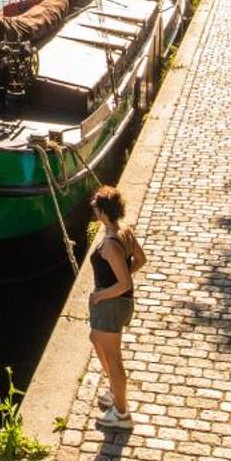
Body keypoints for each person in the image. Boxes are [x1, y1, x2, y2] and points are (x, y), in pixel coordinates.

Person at [87, 184, 145, 430]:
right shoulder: (125, 232)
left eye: (96, 209)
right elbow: (140, 260)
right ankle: (114, 390)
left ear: (103, 212)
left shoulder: (111, 243)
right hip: (115, 303)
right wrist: (117, 277)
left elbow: (124, 283)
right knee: (95, 339)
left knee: (114, 357)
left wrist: (101, 295)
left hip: (111, 304)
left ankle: (121, 413)